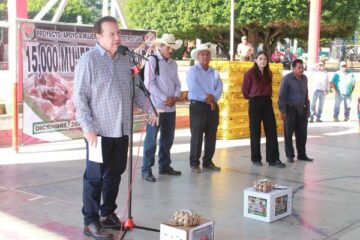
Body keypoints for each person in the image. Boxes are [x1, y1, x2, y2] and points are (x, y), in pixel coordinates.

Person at [74, 16, 156, 240]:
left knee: (115, 174)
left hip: (121, 130)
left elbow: (138, 91)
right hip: (98, 133)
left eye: (118, 33)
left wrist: (150, 109)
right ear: (98, 37)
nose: (117, 37)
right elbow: (80, 98)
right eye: (112, 34)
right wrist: (88, 128)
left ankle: (107, 212)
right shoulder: (88, 61)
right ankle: (90, 221)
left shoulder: (126, 60)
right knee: (94, 177)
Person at [141, 33, 183, 182]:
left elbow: (178, 83)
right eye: (168, 47)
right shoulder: (152, 60)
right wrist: (166, 98)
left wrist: (176, 97)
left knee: (168, 139)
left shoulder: (173, 63)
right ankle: (146, 169)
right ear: (160, 46)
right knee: (151, 140)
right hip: (156, 108)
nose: (171, 51)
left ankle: (164, 165)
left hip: (170, 107)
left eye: (172, 48)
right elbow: (149, 84)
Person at [242, 51, 285, 168]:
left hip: (267, 102)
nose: (263, 61)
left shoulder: (269, 73)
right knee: (255, 130)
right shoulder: (249, 73)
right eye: (260, 59)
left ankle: (273, 159)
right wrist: (253, 97)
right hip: (255, 102)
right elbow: (245, 91)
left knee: (271, 130)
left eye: (265, 59)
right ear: (255, 60)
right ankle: (256, 158)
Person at [186, 43, 223, 173]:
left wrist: (213, 98)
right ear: (198, 56)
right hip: (198, 106)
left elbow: (219, 87)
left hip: (212, 107)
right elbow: (194, 87)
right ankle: (194, 163)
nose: (205, 56)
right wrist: (208, 98)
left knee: (211, 135)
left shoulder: (214, 72)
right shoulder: (192, 71)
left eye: (207, 54)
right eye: (202, 54)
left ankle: (208, 161)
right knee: (197, 135)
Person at [278, 59, 313, 163]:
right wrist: (282, 111)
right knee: (289, 133)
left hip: (302, 109)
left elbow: (306, 95)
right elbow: (281, 96)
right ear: (293, 68)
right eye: (299, 67)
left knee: (302, 133)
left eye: (302, 67)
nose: (302, 69)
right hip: (290, 109)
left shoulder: (304, 79)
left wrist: (307, 108)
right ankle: (290, 156)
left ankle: (302, 154)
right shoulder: (287, 79)